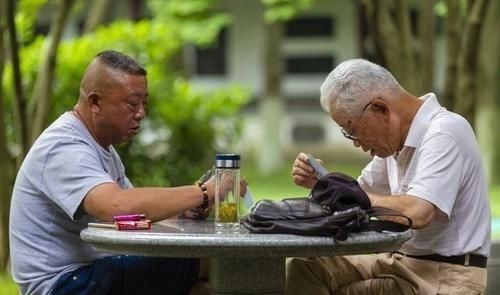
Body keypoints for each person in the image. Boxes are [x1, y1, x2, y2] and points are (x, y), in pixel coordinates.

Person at [9, 50, 244, 295]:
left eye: (144, 103)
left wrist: (186, 211)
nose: (141, 113)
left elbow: (134, 220)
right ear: (95, 102)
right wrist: (203, 192)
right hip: (64, 284)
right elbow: (118, 207)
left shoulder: (104, 150)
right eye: (132, 104)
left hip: (93, 273)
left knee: (203, 288)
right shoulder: (64, 147)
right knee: (213, 260)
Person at [286, 59, 490, 294]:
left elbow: (417, 212)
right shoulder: (394, 145)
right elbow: (357, 196)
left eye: (354, 131)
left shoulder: (444, 132)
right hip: (399, 261)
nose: (357, 145)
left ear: (380, 108)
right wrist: (323, 183)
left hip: (446, 275)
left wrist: (354, 195)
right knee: (305, 267)